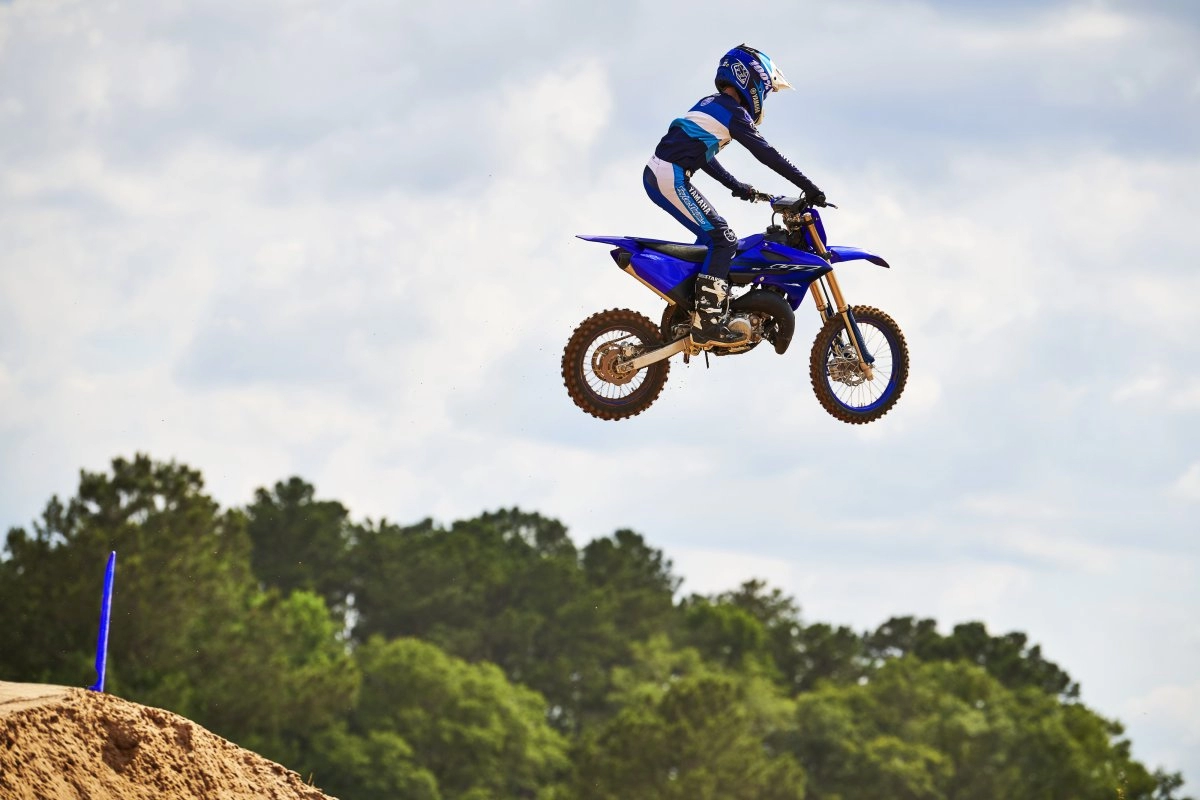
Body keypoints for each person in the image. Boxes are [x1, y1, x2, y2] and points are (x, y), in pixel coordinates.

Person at [643, 44, 827, 346]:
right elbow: (767, 154)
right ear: (753, 81)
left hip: (665, 173)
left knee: (711, 239)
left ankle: (690, 309)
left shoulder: (711, 103)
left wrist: (736, 185)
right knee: (724, 239)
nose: (764, 98)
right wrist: (809, 187)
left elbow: (702, 155)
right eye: (766, 90)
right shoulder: (734, 113)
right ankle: (707, 321)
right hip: (669, 176)